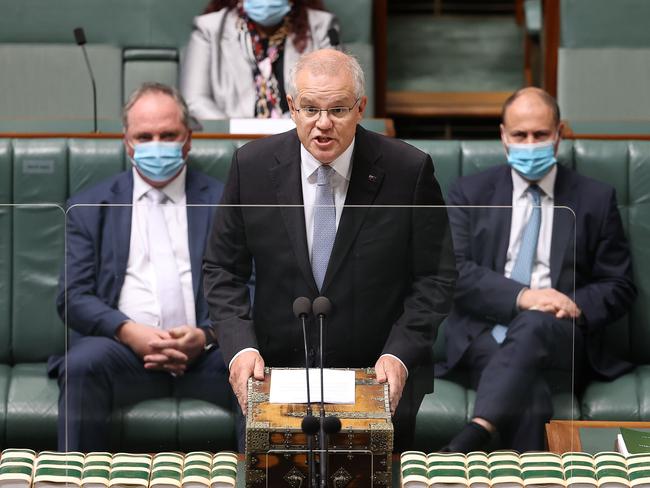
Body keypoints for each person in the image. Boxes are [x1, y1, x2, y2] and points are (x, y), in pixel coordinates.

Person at [203, 48, 457, 451]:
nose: (323, 124)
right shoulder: (250, 166)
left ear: (361, 108)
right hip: (275, 372)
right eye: (310, 109)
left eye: (338, 110)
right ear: (291, 107)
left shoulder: (408, 170)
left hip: (377, 375)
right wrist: (240, 348)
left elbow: (435, 276)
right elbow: (221, 269)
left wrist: (401, 353)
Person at [437, 87, 637, 453]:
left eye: (541, 135)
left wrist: (568, 303)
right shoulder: (470, 193)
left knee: (535, 322)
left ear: (559, 134)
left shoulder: (594, 198)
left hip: (563, 332)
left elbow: (619, 284)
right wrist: (525, 296)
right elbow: (455, 273)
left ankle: (477, 431)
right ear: (503, 137)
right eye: (520, 135)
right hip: (485, 330)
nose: (530, 144)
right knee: (530, 397)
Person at [52, 83, 228, 452]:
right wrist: (129, 331)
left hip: (209, 354)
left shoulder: (224, 201)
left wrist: (208, 335)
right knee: (82, 364)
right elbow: (73, 295)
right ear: (127, 142)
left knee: (257, 369)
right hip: (122, 352)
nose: (156, 145)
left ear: (188, 139)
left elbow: (252, 284)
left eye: (168, 135)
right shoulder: (89, 205)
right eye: (144, 136)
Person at [181, 0, 339, 120]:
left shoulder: (322, 27)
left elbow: (334, 91)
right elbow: (195, 101)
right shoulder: (209, 29)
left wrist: (295, 125)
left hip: (298, 139)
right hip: (235, 144)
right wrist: (239, 135)